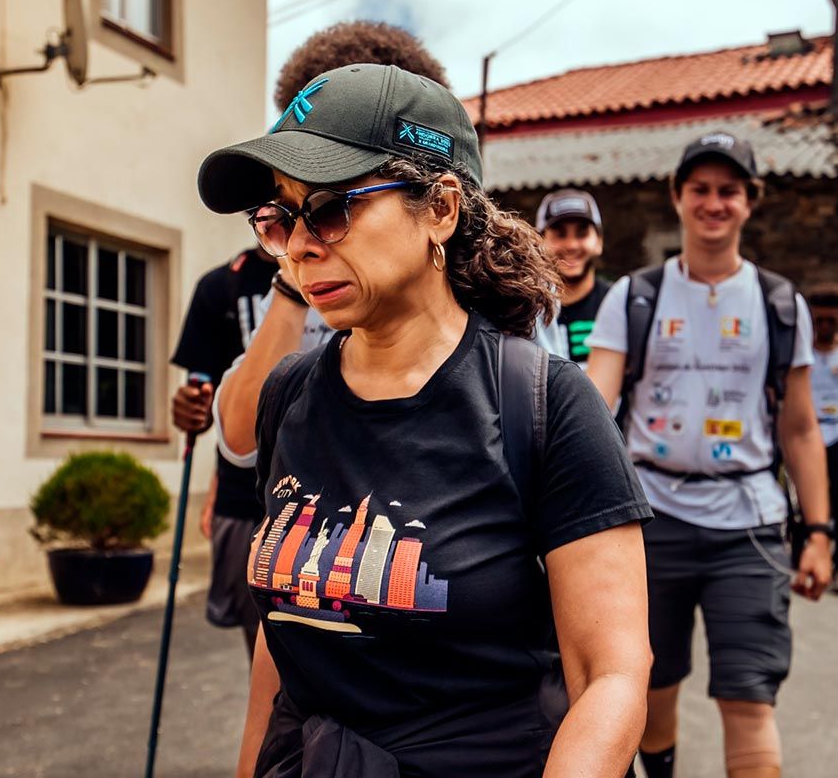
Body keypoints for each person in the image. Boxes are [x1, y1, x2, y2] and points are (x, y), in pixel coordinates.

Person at [197, 63, 653, 778]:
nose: (303, 246)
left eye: (332, 208)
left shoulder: (545, 403)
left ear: (439, 208)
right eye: (281, 219)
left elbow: (611, 677)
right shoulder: (291, 395)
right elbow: (286, 636)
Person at [172, 22, 453, 656]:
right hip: (276, 502)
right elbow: (238, 429)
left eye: (337, 198)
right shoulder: (249, 276)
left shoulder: (505, 367)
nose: (306, 234)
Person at [586, 132, 834, 778]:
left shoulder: (781, 304)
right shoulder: (634, 297)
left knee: (749, 699)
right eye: (700, 189)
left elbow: (801, 428)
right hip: (649, 523)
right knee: (650, 689)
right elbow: (591, 407)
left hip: (747, 526)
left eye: (729, 190)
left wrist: (819, 533)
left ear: (751, 201)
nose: (714, 203)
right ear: (677, 196)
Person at [171, 245, 277, 657]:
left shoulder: (338, 272)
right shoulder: (221, 285)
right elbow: (202, 393)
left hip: (335, 485)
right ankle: (265, 723)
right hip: (244, 494)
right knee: (261, 636)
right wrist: (190, 409)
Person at [533, 189, 610, 367]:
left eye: (581, 234)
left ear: (599, 241)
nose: (571, 245)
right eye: (560, 234)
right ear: (539, 242)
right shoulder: (525, 313)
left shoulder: (618, 304)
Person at [807, 285, 838, 590]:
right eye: (820, 321)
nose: (826, 327)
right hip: (810, 438)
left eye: (832, 321)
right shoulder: (802, 357)